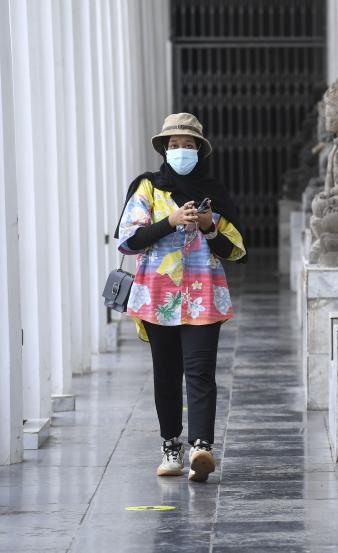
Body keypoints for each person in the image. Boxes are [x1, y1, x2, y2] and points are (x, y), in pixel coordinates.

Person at [115, 113, 247, 482]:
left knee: (201, 371)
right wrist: (170, 221)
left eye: (188, 146)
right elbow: (128, 240)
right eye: (174, 146)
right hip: (158, 297)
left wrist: (209, 226)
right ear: (164, 150)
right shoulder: (148, 189)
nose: (181, 151)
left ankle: (201, 447)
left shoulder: (213, 192)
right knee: (167, 374)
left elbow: (236, 249)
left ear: (199, 151)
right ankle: (171, 446)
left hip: (204, 293)